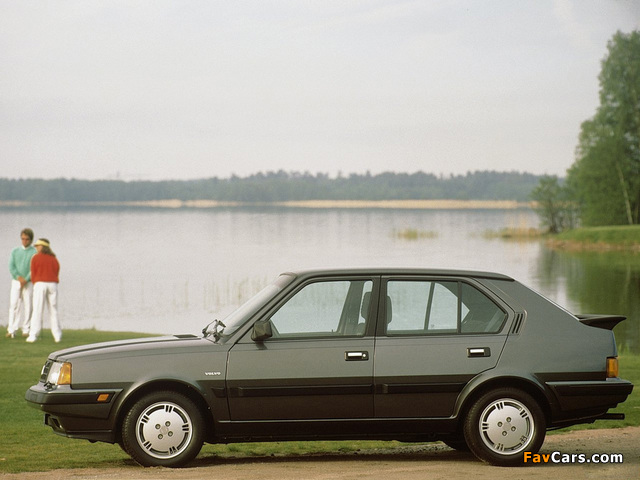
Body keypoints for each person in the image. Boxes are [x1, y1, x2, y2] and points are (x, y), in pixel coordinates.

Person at [26, 238, 61, 343]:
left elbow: (33, 272)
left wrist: (35, 282)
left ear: (43, 247)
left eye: (38, 246)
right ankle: (57, 335)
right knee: (53, 310)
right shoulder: (53, 258)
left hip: (40, 284)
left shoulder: (35, 257)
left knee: (37, 309)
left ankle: (33, 335)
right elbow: (57, 270)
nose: (36, 248)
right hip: (52, 284)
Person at [7, 228, 37, 339]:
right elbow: (11, 266)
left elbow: (34, 268)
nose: (24, 241)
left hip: (28, 282)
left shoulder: (34, 252)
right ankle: (12, 329)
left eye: (27, 239)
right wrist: (18, 277)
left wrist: (26, 279)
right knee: (14, 305)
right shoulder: (15, 251)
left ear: (31, 240)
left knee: (28, 305)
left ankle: (26, 329)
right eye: (23, 239)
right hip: (16, 281)